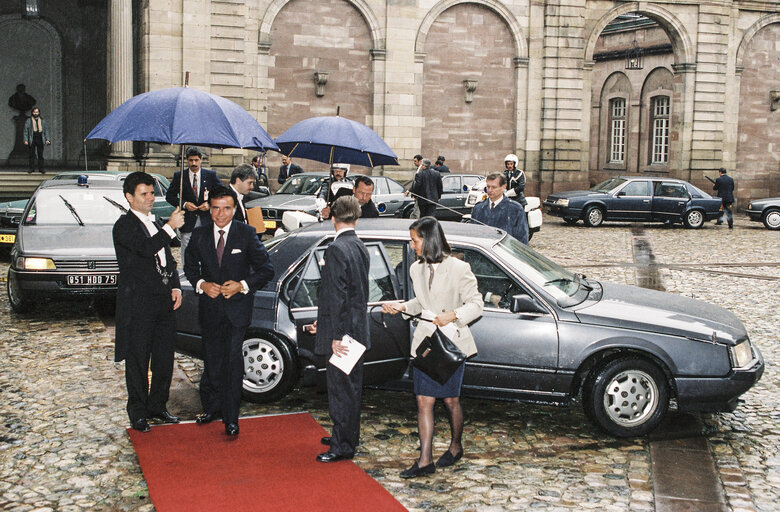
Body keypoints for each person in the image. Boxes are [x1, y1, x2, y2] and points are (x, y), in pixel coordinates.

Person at [382, 217, 483, 478]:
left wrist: (453, 314)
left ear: (429, 240)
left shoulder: (460, 268)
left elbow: (476, 304)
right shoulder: (416, 269)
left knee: (450, 400)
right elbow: (421, 302)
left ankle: (456, 445)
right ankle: (424, 461)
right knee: (423, 401)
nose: (411, 244)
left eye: (415, 240)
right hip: (427, 343)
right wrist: (403, 307)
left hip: (451, 343)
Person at [184, 186, 274, 437]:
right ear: (209, 209)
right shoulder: (200, 235)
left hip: (237, 311)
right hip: (210, 310)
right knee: (212, 360)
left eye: (226, 208)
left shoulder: (246, 233)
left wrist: (242, 286)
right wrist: (202, 285)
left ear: (234, 209)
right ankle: (212, 408)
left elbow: (266, 270)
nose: (220, 214)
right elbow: (190, 268)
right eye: (215, 208)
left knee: (233, 362)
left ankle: (231, 417)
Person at [112, 172, 186, 432]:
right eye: (144, 194)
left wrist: (175, 286)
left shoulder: (155, 223)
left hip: (163, 301)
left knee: (164, 358)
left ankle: (158, 405)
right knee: (138, 359)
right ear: (129, 197)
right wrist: (170, 227)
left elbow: (167, 258)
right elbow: (145, 249)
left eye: (152, 193)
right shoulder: (124, 226)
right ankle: (138, 412)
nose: (150, 198)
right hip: (138, 304)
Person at [314, 195, 371, 463]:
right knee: (350, 387)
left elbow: (335, 296)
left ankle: (342, 445)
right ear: (356, 218)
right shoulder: (359, 246)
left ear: (332, 217)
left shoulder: (336, 249)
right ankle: (346, 434)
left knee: (341, 389)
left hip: (344, 332)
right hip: (357, 328)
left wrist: (334, 335)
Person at [165, 147, 220, 268]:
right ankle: (187, 271)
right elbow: (169, 196)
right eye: (190, 160)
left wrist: (210, 204)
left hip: (206, 219)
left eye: (196, 160)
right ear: (187, 161)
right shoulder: (179, 176)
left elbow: (221, 193)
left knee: (207, 246)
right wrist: (184, 204)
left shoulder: (210, 175)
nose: (193, 163)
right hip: (188, 220)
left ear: (201, 160)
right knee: (187, 246)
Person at [471, 172, 529, 244]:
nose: (490, 190)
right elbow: (473, 237)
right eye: (488, 187)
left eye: (494, 187)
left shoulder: (515, 209)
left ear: (503, 187)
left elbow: (522, 240)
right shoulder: (478, 208)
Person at [23, 107, 51, 174]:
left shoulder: (42, 121)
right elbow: (25, 131)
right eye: (34, 112)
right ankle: (31, 168)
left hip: (40, 138)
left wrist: (47, 139)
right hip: (32, 138)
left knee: (40, 155)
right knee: (31, 155)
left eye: (37, 112)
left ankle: (41, 168)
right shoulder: (29, 120)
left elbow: (45, 131)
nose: (36, 113)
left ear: (39, 113)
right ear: (32, 113)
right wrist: (26, 140)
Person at [405, 154, 424, 219]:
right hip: (418, 194)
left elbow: (418, 184)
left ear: (420, 161)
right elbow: (415, 182)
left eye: (415, 161)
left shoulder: (421, 170)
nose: (414, 163)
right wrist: (409, 190)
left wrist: (415, 194)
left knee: (416, 211)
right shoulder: (418, 169)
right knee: (416, 210)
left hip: (420, 194)